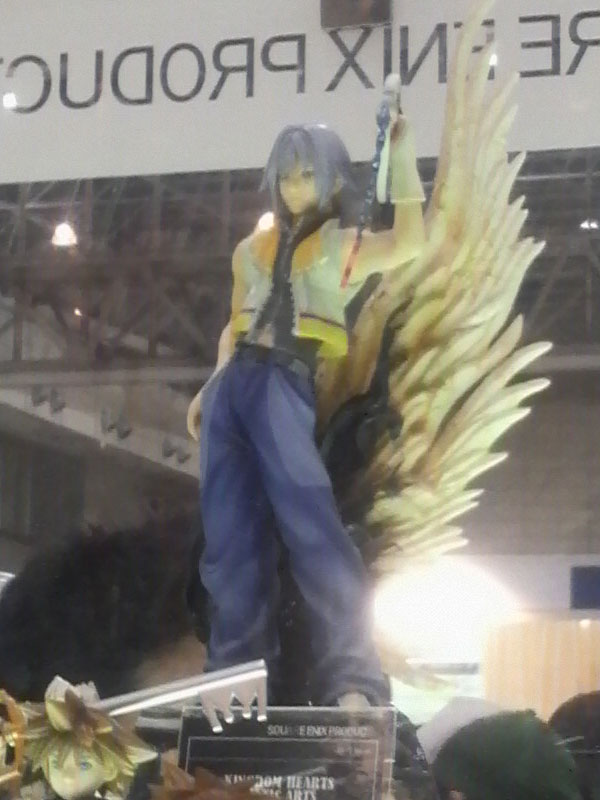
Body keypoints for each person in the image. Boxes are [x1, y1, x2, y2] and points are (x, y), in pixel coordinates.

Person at [187, 104, 425, 707]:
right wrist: (210, 386)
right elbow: (234, 326)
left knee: (313, 530)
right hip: (233, 391)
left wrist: (400, 156)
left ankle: (354, 679)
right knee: (229, 545)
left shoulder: (340, 247)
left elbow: (410, 241)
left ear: (331, 178)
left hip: (283, 384)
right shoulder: (250, 251)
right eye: (288, 176)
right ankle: (233, 682)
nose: (295, 188)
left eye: (307, 176)